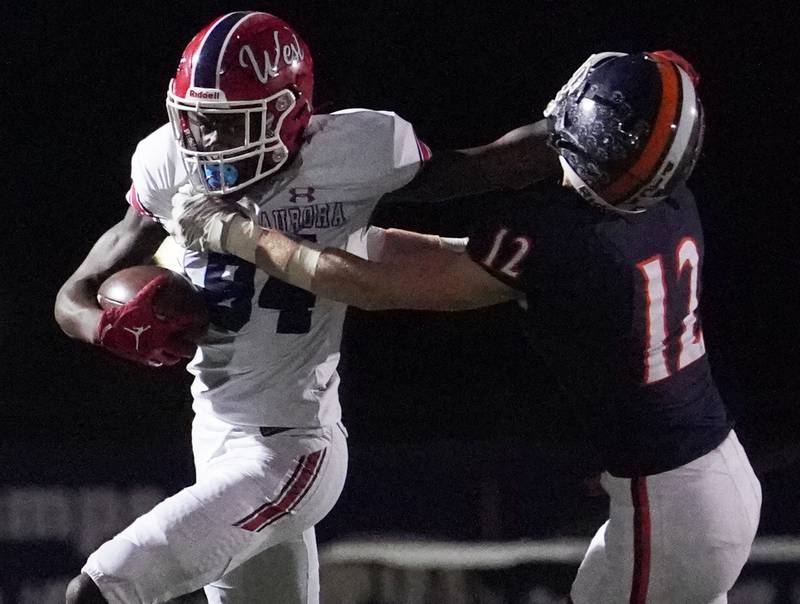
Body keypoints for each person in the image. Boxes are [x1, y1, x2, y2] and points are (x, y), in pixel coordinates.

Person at [172, 50, 762, 603]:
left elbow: (369, 287)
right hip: (721, 472)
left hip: (668, 503)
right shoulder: (668, 200)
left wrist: (236, 234)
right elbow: (652, 130)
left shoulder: (554, 237)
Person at [54, 10, 558, 604]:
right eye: (198, 123)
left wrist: (568, 137)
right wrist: (109, 329)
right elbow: (73, 297)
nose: (206, 143)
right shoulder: (168, 162)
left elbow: (479, 168)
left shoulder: (352, 150)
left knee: (98, 590)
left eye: (228, 124)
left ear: (286, 112)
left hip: (289, 448)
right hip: (213, 435)